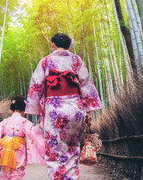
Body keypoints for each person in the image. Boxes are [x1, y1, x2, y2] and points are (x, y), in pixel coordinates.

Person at [26, 33, 102, 180]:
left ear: (53, 44)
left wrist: (34, 108)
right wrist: (89, 110)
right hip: (75, 109)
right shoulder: (76, 60)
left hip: (54, 109)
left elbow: (36, 84)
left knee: (54, 150)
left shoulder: (46, 61)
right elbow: (86, 83)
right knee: (73, 148)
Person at [0, 95, 45, 180]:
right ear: (24, 112)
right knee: (17, 172)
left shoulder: (5, 122)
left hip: (5, 149)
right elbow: (33, 132)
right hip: (18, 150)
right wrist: (39, 124)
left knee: (5, 172)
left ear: (10, 111)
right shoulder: (24, 122)